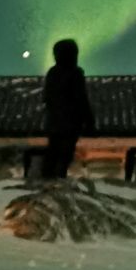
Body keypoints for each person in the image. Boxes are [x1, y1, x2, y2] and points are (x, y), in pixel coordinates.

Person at [41, 39, 95, 181]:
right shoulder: (74, 74)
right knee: (63, 155)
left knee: (54, 153)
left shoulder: (53, 73)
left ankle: (49, 180)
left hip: (55, 123)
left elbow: (47, 98)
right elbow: (81, 99)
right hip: (69, 123)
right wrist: (89, 121)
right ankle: (55, 181)